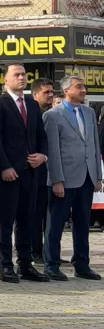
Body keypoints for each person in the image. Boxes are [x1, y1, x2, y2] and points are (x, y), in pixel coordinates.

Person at [0, 63, 49, 284]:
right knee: (5, 220)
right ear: (6, 79)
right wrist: (4, 166)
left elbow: (41, 135)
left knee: (27, 219)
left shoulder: (32, 105)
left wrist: (43, 155)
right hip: (7, 173)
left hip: (30, 172)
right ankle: (5, 266)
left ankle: (25, 264)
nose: (22, 78)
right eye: (17, 75)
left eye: (24, 74)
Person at [43, 75, 102, 281]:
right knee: (56, 222)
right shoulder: (53, 115)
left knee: (82, 222)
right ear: (67, 90)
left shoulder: (88, 112)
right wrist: (57, 179)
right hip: (64, 179)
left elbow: (94, 146)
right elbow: (53, 150)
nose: (84, 90)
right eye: (79, 87)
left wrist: (98, 176)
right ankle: (51, 264)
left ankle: (82, 264)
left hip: (86, 177)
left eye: (84, 86)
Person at [29, 78, 55, 264]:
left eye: (52, 92)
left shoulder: (52, 114)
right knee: (33, 214)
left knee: (47, 214)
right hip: (33, 170)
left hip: (49, 172)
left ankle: (47, 251)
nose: (50, 95)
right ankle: (33, 251)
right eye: (46, 92)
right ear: (35, 94)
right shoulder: (31, 113)